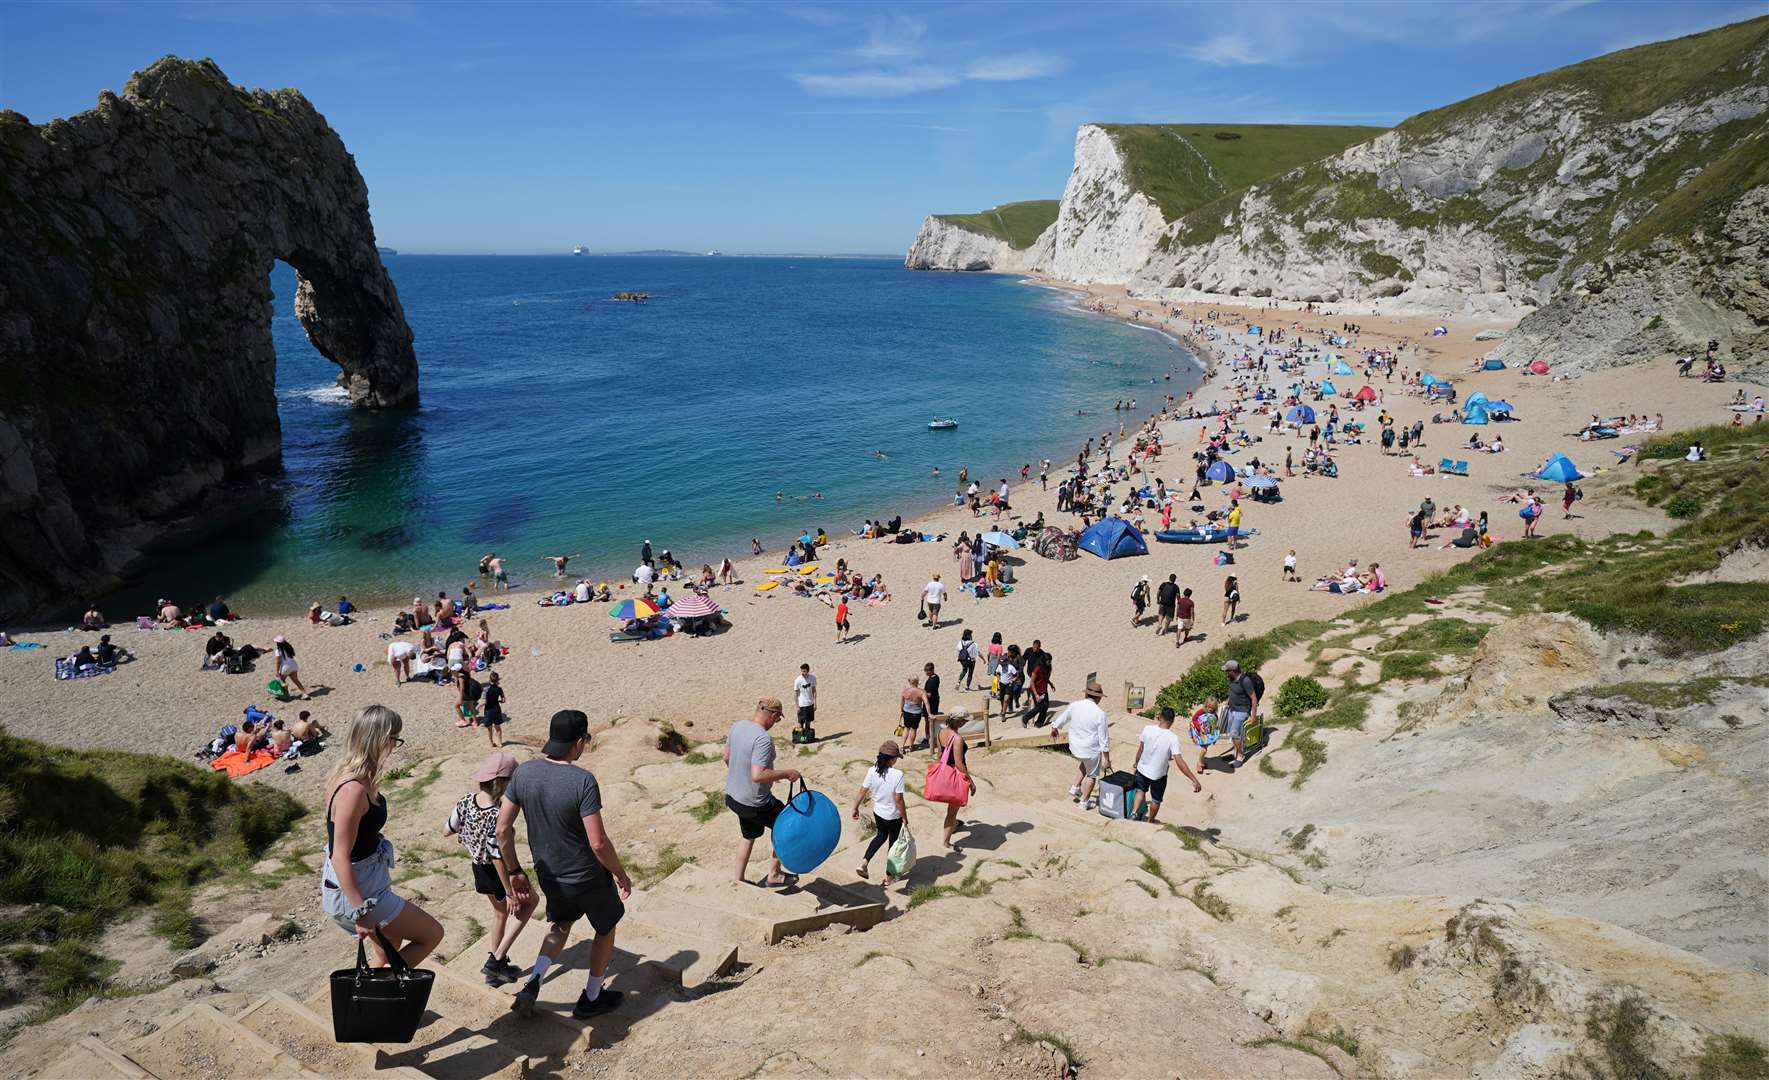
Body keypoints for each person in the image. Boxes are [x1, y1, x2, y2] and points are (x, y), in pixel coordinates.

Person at [497, 710, 633, 1020]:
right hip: (586, 875)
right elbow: (598, 842)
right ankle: (592, 997)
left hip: (548, 872)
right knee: (606, 926)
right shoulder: (582, 780)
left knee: (559, 925)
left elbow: (503, 828)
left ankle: (533, 982)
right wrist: (620, 874)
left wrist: (515, 870)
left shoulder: (524, 772)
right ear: (578, 742)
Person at [321, 706, 444, 969]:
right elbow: (340, 855)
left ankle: (368, 1000)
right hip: (357, 887)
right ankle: (378, 992)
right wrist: (360, 912)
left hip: (366, 879)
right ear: (379, 739)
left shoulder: (348, 776)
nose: (394, 746)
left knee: (389, 950)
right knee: (432, 934)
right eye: (394, 739)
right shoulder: (353, 789)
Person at [446, 752, 536, 986]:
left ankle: (496, 969)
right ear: (505, 783)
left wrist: (471, 834)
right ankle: (495, 961)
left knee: (499, 915)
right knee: (530, 903)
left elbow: (448, 829)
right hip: (499, 874)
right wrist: (508, 889)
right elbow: (497, 855)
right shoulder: (498, 812)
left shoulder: (466, 801)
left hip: (478, 868)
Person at [724, 699, 802, 887]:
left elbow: (727, 758)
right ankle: (774, 875)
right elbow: (758, 775)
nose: (776, 723)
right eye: (777, 719)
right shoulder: (763, 739)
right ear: (773, 715)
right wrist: (786, 774)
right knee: (786, 827)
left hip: (734, 797)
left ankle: (739, 880)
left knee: (748, 835)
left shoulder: (738, 726)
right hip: (755, 803)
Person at [1132, 708, 1202, 824]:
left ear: (1160, 717)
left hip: (1143, 769)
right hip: (1158, 774)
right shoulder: (1172, 738)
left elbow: (1141, 749)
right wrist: (1193, 779)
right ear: (1172, 721)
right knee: (1156, 800)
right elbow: (1179, 761)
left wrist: (1136, 763)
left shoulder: (1147, 729)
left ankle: (1133, 813)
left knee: (1140, 791)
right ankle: (1150, 821)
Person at [1049, 680, 1111, 811]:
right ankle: (1084, 801)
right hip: (1090, 750)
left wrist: (1055, 728)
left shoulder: (1075, 705)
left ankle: (1075, 787)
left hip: (1075, 747)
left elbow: (1063, 718)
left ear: (1086, 694)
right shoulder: (1100, 714)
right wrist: (1106, 759)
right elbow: (1103, 739)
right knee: (1092, 775)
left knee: (1086, 761)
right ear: (1099, 698)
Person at [851, 740, 908, 883]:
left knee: (880, 836)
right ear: (892, 759)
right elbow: (899, 799)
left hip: (878, 813)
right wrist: (905, 817)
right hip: (893, 816)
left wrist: (855, 807)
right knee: (893, 844)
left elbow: (862, 791)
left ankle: (864, 862)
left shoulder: (872, 770)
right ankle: (889, 877)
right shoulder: (898, 774)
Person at [932, 714, 974, 850]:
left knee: (952, 808)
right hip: (955, 776)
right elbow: (959, 763)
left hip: (946, 773)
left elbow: (939, 755)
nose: (965, 723)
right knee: (952, 811)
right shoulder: (957, 738)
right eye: (964, 721)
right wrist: (971, 781)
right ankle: (946, 842)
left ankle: (954, 825)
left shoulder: (940, 732)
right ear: (960, 722)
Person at [1221, 660, 1261, 768]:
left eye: (1227, 670)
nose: (1226, 672)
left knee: (1234, 734)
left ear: (1233, 671)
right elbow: (1233, 692)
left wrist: (1253, 715)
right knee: (1231, 733)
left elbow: (1253, 698)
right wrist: (1228, 702)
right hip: (1232, 709)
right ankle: (1236, 752)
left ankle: (1240, 755)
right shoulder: (1231, 679)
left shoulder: (1246, 681)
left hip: (1242, 711)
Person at [900, 675, 933, 751]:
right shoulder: (921, 692)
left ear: (910, 682)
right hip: (916, 713)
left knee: (906, 728)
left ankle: (902, 746)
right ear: (917, 682)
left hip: (907, 711)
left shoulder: (905, 690)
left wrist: (901, 710)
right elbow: (926, 702)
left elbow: (902, 702)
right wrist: (929, 713)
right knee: (913, 729)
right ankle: (911, 746)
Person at [481, 671, 507, 748]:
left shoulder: (486, 689)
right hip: (496, 709)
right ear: (498, 680)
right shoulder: (499, 689)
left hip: (488, 710)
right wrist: (498, 701)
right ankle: (500, 743)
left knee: (489, 729)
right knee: (498, 727)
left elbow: (485, 701)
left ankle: (491, 743)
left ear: (490, 680)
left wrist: (479, 706)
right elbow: (503, 700)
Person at [794, 663, 817, 734]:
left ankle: (807, 738)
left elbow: (814, 691)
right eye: (802, 671)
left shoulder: (812, 678)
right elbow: (795, 694)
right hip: (802, 705)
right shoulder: (798, 680)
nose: (802, 673)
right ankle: (798, 736)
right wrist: (797, 706)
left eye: (804, 671)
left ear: (808, 671)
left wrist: (815, 703)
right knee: (801, 723)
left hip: (810, 703)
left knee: (808, 722)